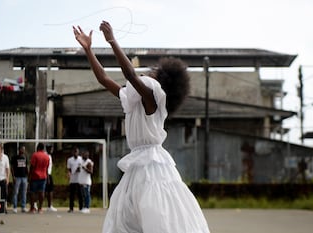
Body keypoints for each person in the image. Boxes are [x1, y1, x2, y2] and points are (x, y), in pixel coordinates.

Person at [73, 21, 210, 233]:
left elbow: (130, 74)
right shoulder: (135, 101)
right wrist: (88, 50)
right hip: (137, 165)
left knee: (157, 219)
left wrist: (112, 40)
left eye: (152, 73)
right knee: (125, 220)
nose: (147, 74)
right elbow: (103, 78)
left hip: (153, 167)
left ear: (160, 84)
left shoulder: (152, 101)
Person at [28, 143, 49, 214]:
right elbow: (46, 168)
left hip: (35, 176)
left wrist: (29, 176)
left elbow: (32, 166)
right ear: (43, 148)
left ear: (38, 148)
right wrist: (48, 178)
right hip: (43, 176)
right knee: (41, 192)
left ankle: (32, 208)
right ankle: (40, 208)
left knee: (32, 192)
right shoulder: (47, 156)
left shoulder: (35, 155)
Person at [11, 145, 29, 213]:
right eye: (22, 149)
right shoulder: (15, 157)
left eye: (24, 149)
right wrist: (13, 177)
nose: (23, 151)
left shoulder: (25, 157)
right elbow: (12, 167)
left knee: (24, 192)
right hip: (17, 177)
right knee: (16, 192)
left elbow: (27, 166)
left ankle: (23, 206)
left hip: (24, 177)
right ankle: (15, 207)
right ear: (19, 150)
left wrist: (28, 175)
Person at [66, 146, 83, 213]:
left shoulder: (80, 159)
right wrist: (69, 174)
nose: (76, 153)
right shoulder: (69, 160)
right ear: (73, 152)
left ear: (78, 152)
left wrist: (79, 169)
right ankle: (71, 208)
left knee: (80, 194)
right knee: (72, 195)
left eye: (77, 152)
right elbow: (69, 169)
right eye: (74, 151)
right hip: (72, 179)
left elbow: (82, 168)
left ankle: (81, 208)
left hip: (79, 179)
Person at [45, 145, 57, 212]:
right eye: (51, 149)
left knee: (49, 190)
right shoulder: (47, 156)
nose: (52, 150)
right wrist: (47, 177)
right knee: (49, 191)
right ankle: (49, 206)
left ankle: (49, 205)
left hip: (49, 174)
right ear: (48, 149)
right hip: (47, 175)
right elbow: (46, 167)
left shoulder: (49, 156)